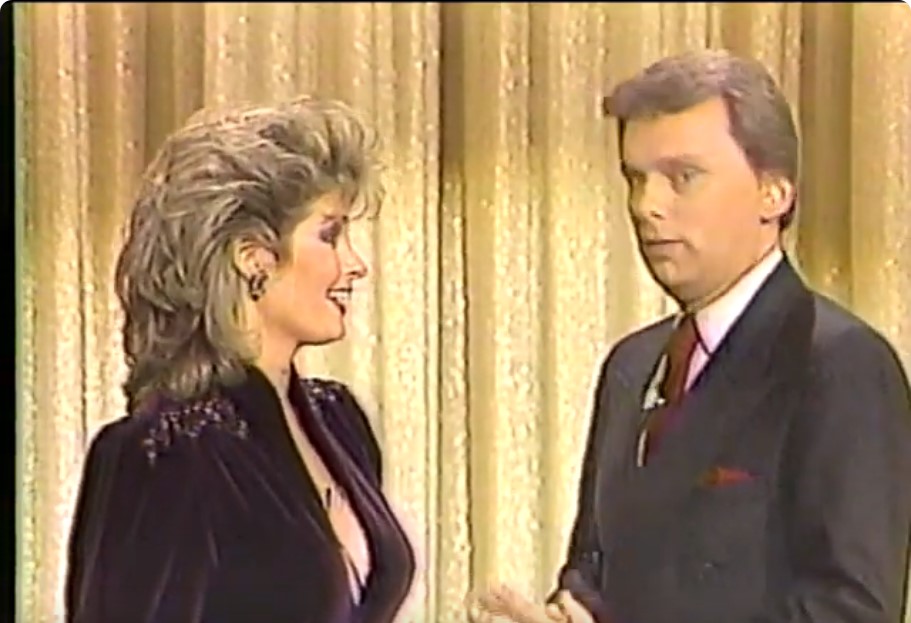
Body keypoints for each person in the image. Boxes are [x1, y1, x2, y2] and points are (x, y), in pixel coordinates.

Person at [469, 49, 911, 623]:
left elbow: (850, 613)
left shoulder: (838, 365)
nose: (646, 207)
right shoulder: (632, 367)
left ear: (774, 192)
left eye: (683, 178)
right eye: (635, 179)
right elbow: (594, 570)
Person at [64, 96, 415, 623]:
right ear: (254, 258)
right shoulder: (164, 452)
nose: (356, 265)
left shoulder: (340, 420)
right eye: (330, 235)